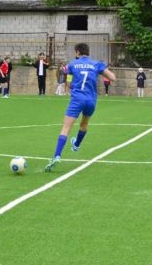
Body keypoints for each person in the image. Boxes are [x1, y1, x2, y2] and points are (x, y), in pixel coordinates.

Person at [45, 43, 116, 172]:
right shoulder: (96, 64)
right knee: (84, 123)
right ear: (88, 52)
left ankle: (56, 156)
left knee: (66, 127)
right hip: (91, 99)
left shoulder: (72, 64)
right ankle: (76, 144)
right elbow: (113, 78)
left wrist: (69, 83)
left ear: (77, 52)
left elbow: (63, 74)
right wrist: (99, 73)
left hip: (77, 99)